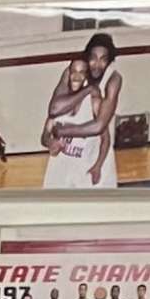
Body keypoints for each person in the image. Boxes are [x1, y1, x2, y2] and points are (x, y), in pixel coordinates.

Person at [39, 30, 122, 188]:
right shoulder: (75, 73)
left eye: (103, 60)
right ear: (87, 57)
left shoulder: (113, 79)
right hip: (66, 159)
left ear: (110, 61)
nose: (97, 65)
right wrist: (87, 90)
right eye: (93, 59)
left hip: (95, 157)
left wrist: (62, 131)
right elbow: (54, 110)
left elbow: (99, 126)